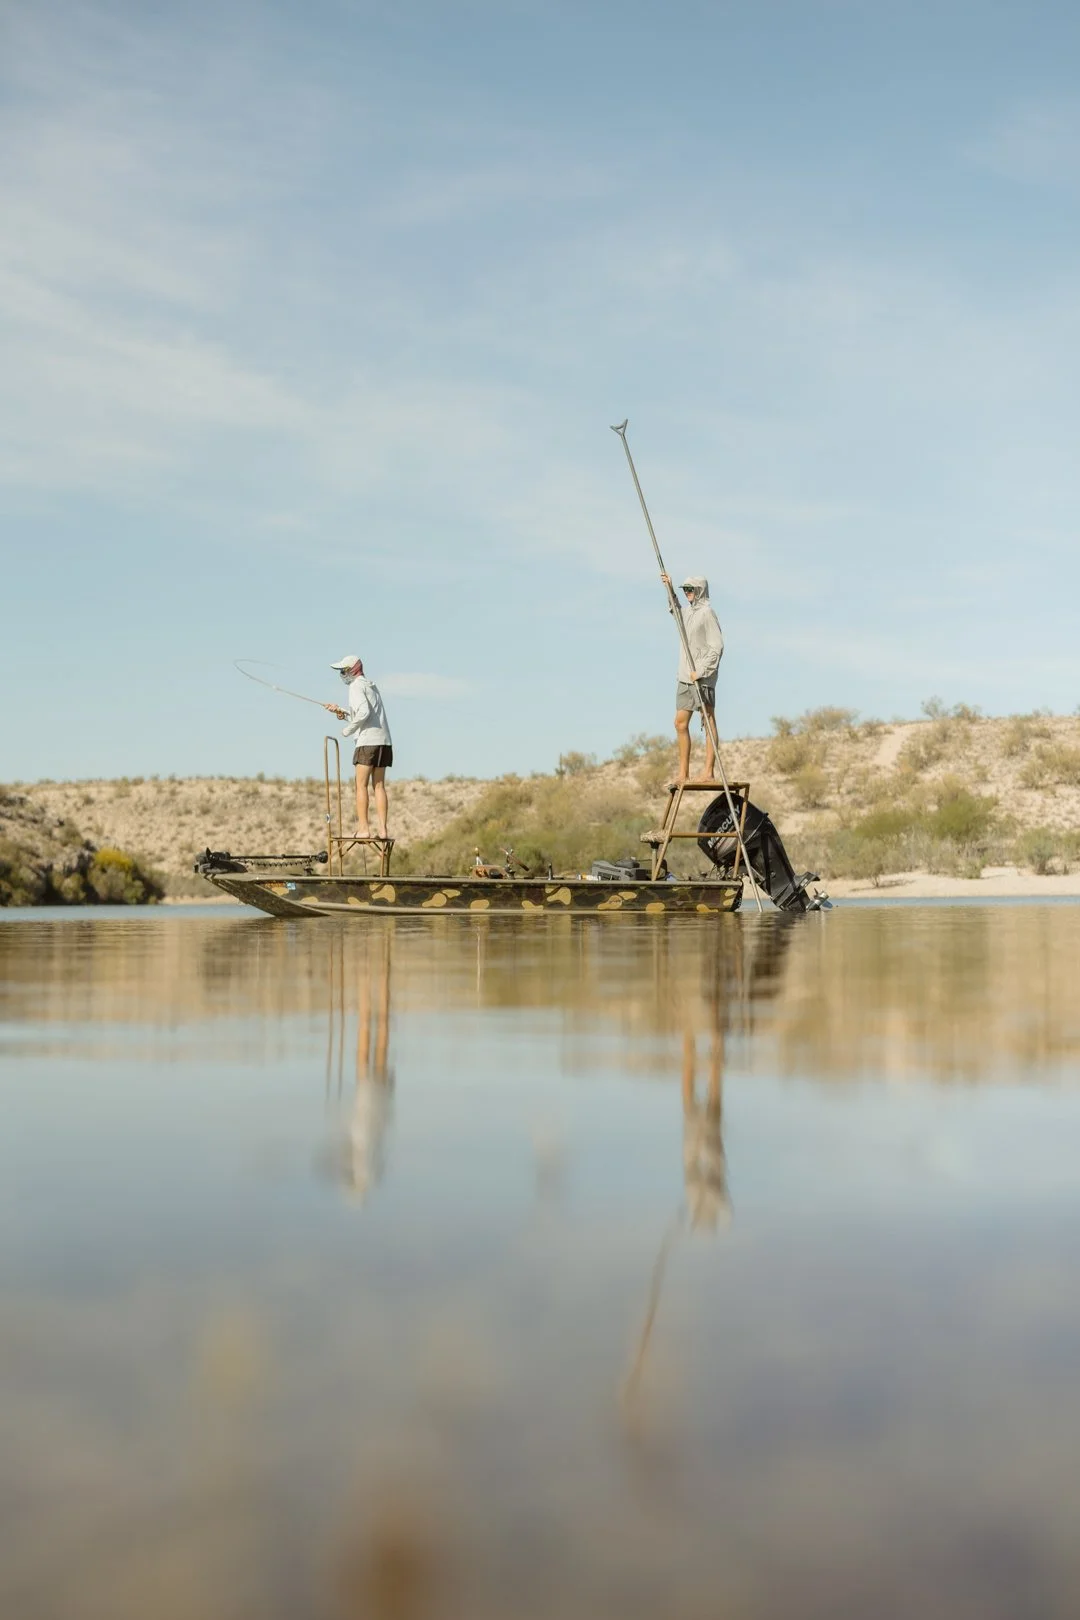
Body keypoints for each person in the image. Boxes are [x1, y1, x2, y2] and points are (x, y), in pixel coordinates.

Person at [659, 573, 724, 781]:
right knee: (680, 723)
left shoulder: (707, 613)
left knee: (708, 719)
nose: (687, 593)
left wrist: (703, 670)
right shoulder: (687, 613)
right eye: (684, 589)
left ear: (700, 591)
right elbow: (675, 612)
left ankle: (708, 771)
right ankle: (683, 773)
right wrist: (669, 589)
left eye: (690, 589)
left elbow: (717, 647)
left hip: (702, 677)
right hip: (685, 676)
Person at [325, 654, 393, 839]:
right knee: (379, 786)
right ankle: (383, 830)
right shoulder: (370, 684)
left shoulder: (355, 686)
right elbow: (367, 714)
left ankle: (364, 829)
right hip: (383, 741)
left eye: (343, 670)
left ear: (352, 670)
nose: (342, 674)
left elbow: (363, 712)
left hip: (367, 743)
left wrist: (347, 730)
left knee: (360, 785)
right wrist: (342, 712)